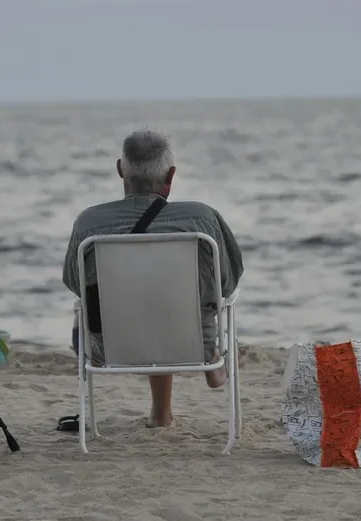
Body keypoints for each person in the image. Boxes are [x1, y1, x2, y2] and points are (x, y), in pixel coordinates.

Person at [62, 129, 244, 428]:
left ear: (120, 170)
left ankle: (161, 414)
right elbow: (228, 283)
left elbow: (74, 282)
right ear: (171, 174)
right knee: (168, 301)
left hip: (112, 347)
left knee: (116, 304)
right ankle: (210, 357)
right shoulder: (202, 219)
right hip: (190, 341)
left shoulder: (89, 223)